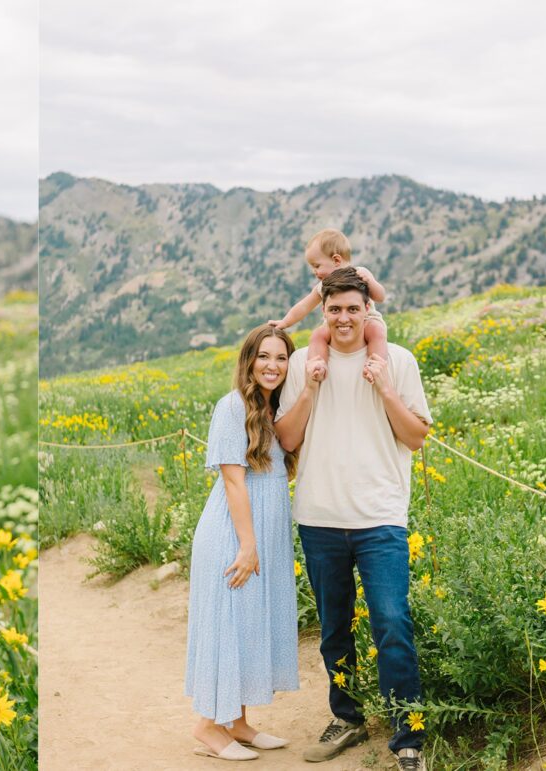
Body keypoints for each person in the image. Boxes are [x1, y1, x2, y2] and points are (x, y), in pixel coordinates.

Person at [275, 267, 431, 771]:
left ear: (368, 311)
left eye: (353, 309)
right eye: (335, 309)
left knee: (391, 622)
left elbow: (416, 437)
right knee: (334, 629)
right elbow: (287, 440)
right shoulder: (302, 363)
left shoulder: (398, 361)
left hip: (380, 517)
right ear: (324, 312)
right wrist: (309, 392)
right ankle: (348, 717)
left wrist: (385, 389)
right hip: (319, 517)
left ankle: (409, 735)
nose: (344, 318)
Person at [186, 324, 300, 762]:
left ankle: (238, 722)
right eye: (264, 356)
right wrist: (248, 546)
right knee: (230, 623)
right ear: (249, 361)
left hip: (261, 531)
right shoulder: (232, 407)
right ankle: (208, 726)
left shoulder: (271, 410)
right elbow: (234, 481)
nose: (273, 365)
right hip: (234, 532)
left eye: (281, 357)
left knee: (252, 621)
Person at [268, 228, 387, 383]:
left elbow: (380, 297)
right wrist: (285, 322)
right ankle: (317, 366)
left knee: (376, 331)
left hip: (367, 319)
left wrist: (370, 282)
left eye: (317, 266)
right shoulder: (322, 285)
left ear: (336, 260)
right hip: (334, 324)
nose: (314, 272)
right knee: (318, 335)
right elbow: (304, 306)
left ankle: (375, 366)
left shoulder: (360, 273)